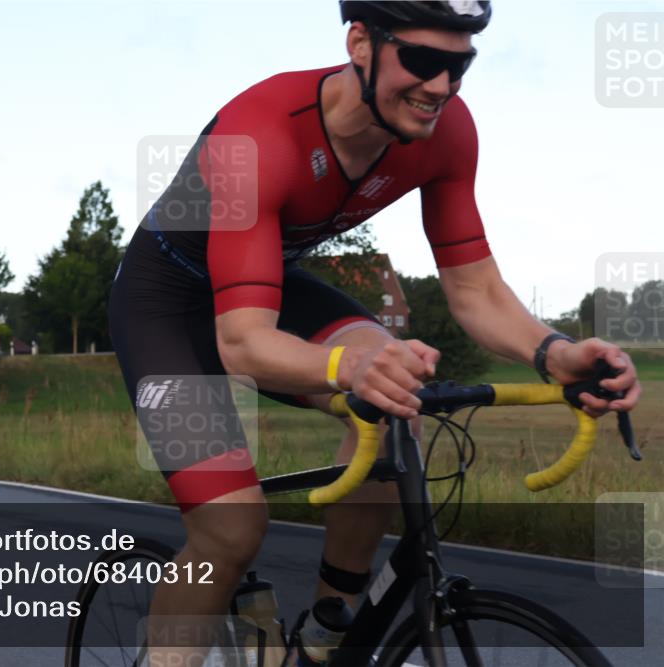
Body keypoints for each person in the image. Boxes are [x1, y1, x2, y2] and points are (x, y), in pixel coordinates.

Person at [108, 2, 642, 664]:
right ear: (360, 42)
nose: (441, 87)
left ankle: (328, 628)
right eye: (421, 61)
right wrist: (346, 369)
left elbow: (474, 289)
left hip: (265, 284)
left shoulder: (445, 133)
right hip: (167, 303)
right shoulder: (260, 136)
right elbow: (243, 341)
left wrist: (554, 351)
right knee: (231, 527)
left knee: (397, 403)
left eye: (459, 66)